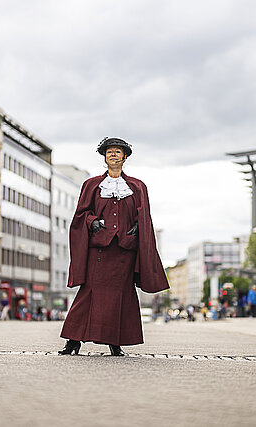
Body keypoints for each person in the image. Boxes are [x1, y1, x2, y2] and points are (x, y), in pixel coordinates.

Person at [58, 137, 169, 356]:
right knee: (87, 294)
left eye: (118, 152)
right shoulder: (91, 185)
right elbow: (81, 214)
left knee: (120, 297)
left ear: (124, 157)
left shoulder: (137, 186)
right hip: (98, 250)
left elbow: (145, 216)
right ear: (104, 157)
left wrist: (139, 226)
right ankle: (73, 342)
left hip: (124, 251)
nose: (113, 155)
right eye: (110, 152)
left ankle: (115, 343)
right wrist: (92, 222)